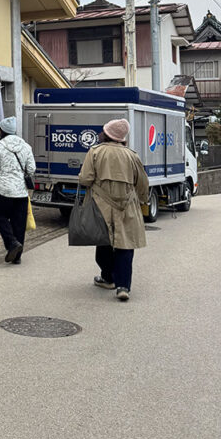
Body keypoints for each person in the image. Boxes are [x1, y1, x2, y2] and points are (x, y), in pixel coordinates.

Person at [78, 118, 149, 302]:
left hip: (101, 204)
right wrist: (143, 200)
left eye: (103, 131)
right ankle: (123, 286)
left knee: (104, 241)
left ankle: (108, 277)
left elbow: (85, 179)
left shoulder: (95, 152)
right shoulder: (132, 155)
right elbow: (142, 183)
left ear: (107, 134)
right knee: (125, 244)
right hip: (128, 205)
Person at [0, 115, 36, 264]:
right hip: (21, 192)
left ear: (2, 131)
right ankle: (17, 257)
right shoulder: (26, 146)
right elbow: (32, 169)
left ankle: (12, 243)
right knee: (19, 223)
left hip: (2, 190)